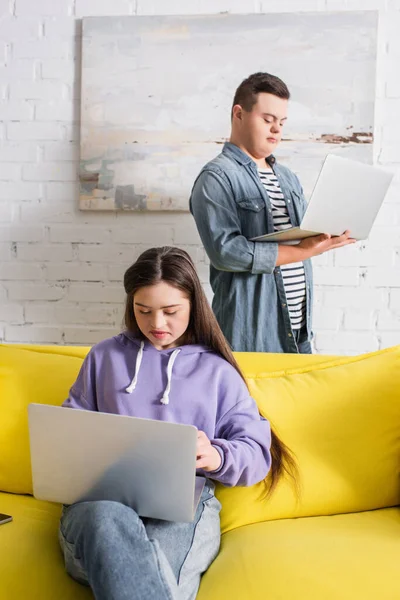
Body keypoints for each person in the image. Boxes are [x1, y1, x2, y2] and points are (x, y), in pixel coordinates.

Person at [58, 246, 295, 600]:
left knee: (149, 571)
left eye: (171, 312)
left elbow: (256, 453)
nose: (156, 324)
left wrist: (215, 455)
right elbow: (67, 430)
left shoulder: (217, 371)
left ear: (194, 305)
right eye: (143, 311)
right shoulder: (103, 357)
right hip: (100, 506)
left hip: (182, 506)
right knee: (111, 528)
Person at [190, 72, 355, 354]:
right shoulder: (216, 177)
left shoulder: (288, 177)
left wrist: (330, 232)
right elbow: (226, 252)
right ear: (239, 114)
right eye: (268, 120)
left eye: (281, 122)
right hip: (250, 330)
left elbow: (303, 236)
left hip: (298, 327)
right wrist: (305, 252)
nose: (276, 130)